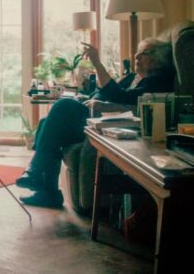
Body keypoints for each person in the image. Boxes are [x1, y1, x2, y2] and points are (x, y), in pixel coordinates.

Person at [16, 38, 175, 208]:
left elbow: (119, 96)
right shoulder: (133, 77)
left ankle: (36, 173)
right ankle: (48, 192)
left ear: (157, 60)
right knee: (45, 122)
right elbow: (106, 91)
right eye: (138, 51)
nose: (137, 56)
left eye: (144, 53)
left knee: (62, 106)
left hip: (104, 119)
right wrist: (87, 97)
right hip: (93, 113)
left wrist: (97, 63)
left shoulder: (158, 79)